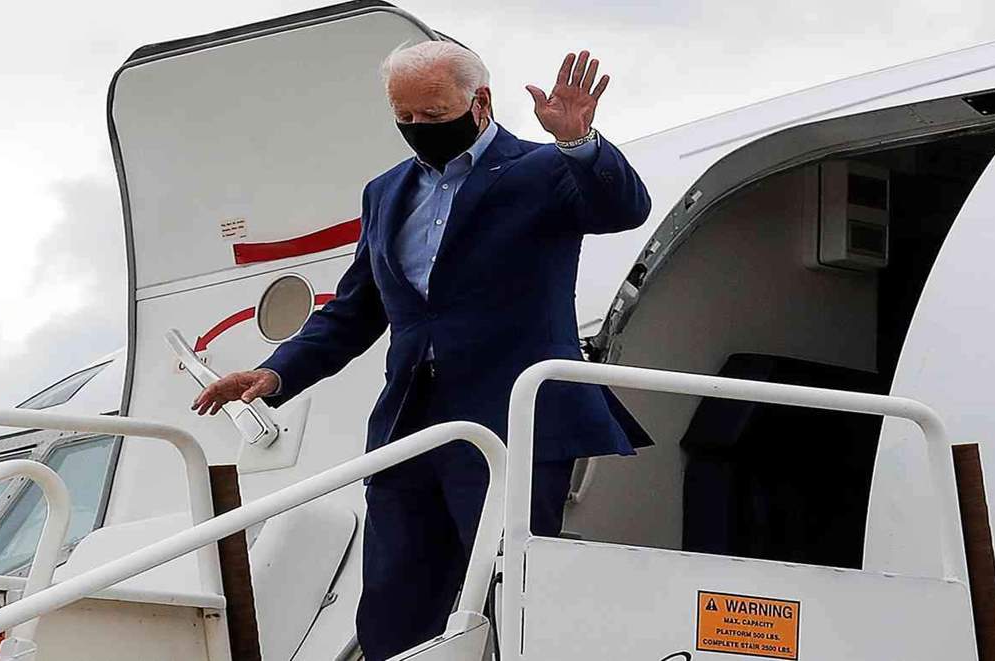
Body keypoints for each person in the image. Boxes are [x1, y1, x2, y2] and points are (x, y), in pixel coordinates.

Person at [191, 40, 653, 660]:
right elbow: (356, 310)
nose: (416, 128)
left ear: (480, 102)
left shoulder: (543, 169)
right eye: (403, 116)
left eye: (432, 115)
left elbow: (624, 209)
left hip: (511, 423)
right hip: (409, 426)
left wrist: (579, 141)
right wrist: (275, 375)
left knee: (507, 601)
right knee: (393, 606)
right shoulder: (384, 192)